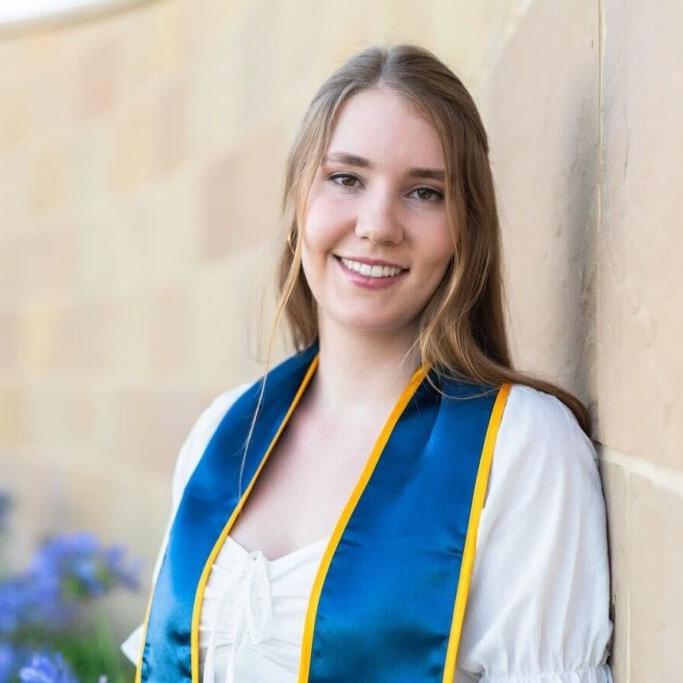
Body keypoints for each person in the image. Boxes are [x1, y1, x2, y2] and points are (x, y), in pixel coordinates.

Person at [122, 44, 613, 682]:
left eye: (425, 192)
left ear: (465, 229)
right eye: (346, 179)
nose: (378, 225)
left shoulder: (520, 448)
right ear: (300, 201)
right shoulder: (223, 432)